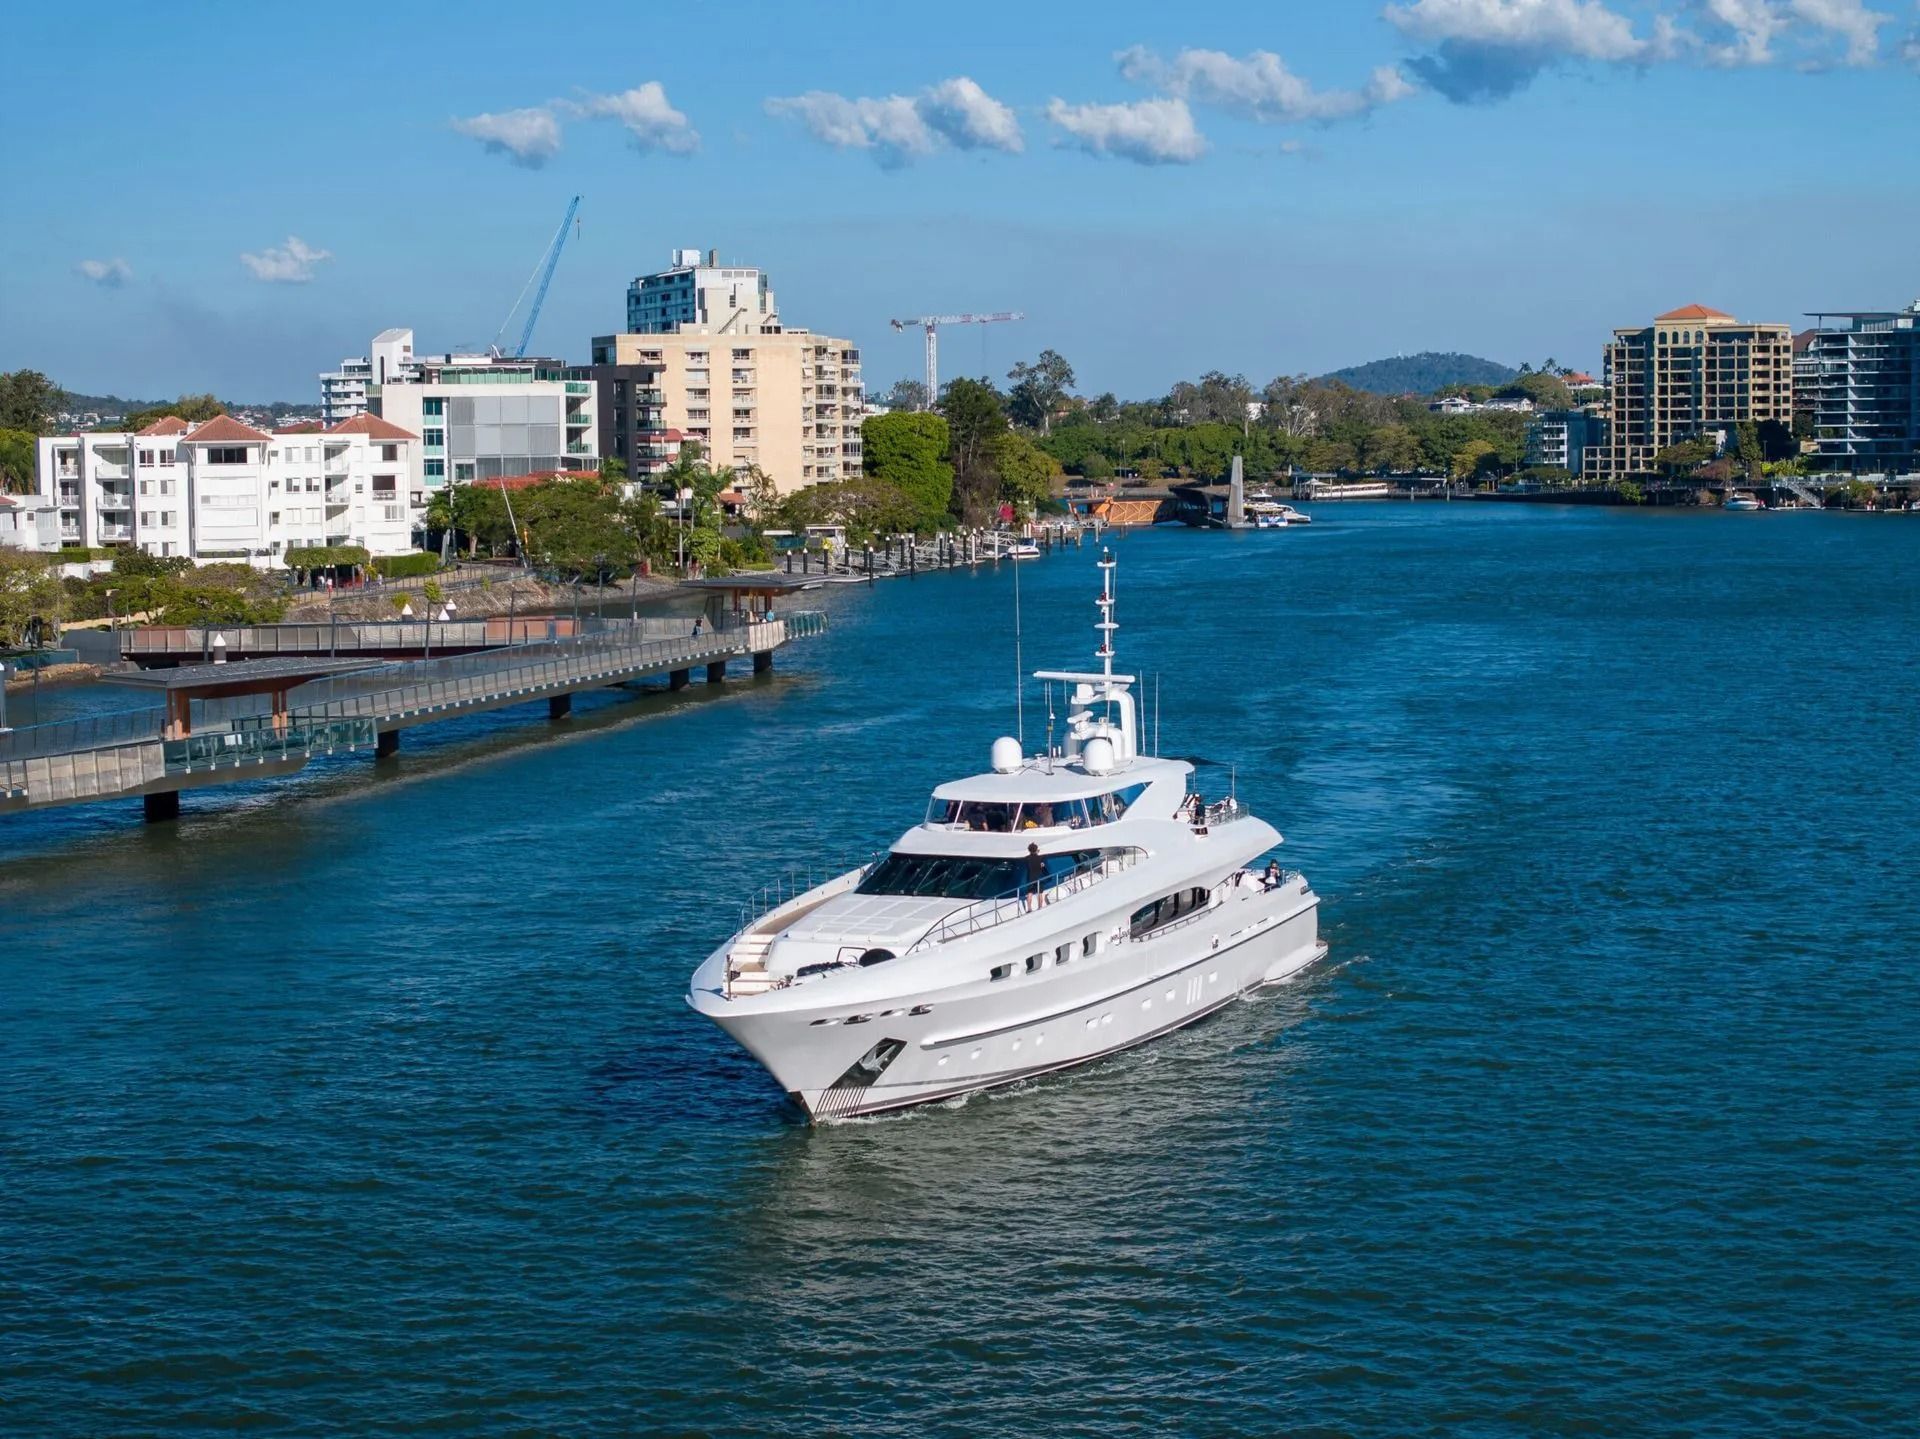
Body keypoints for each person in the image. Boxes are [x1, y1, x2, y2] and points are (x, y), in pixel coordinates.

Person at [1023, 843, 1047, 911]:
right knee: (1040, 893)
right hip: (1039, 877)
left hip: (1030, 878)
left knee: (1029, 893)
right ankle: (1040, 907)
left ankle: (1029, 908)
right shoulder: (1040, 858)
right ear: (1036, 849)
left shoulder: (1026, 859)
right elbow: (1042, 865)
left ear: (1029, 850)